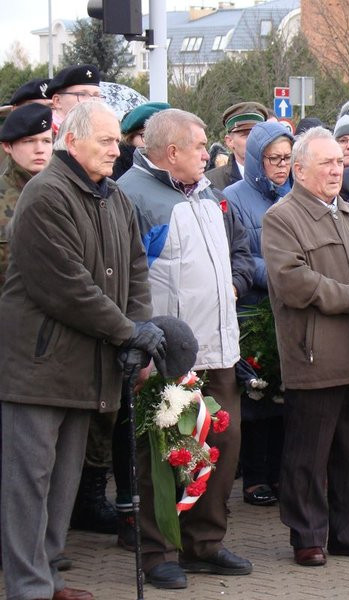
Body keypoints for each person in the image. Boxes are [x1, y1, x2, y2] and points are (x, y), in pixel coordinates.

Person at [0, 101, 161, 600]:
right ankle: (27, 584)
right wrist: (126, 332)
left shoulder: (111, 195)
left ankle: (48, 575)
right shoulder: (45, 195)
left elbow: (135, 269)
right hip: (39, 364)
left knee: (63, 480)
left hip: (87, 365)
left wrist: (139, 324)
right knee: (29, 483)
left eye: (117, 141)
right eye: (108, 141)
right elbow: (66, 286)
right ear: (74, 142)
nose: (118, 149)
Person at [118, 108, 253, 589]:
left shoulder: (209, 194)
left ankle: (205, 544)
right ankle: (158, 553)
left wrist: (236, 282)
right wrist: (137, 343)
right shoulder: (132, 197)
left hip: (218, 349)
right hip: (167, 356)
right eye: (199, 145)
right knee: (162, 453)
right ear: (171, 151)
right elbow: (124, 279)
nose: (208, 152)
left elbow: (238, 254)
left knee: (220, 445)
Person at [262, 126, 349, 567]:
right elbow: (293, 282)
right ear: (299, 170)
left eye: (340, 162)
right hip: (315, 355)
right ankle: (308, 537)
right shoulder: (282, 218)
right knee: (308, 455)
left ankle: (346, 532)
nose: (337, 170)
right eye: (327, 163)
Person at [225, 121, 295, 508]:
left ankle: (283, 473)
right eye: (273, 159)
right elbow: (235, 255)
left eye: (287, 158)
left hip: (289, 309)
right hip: (253, 308)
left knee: (286, 395)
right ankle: (255, 477)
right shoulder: (233, 197)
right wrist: (279, 275)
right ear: (256, 159)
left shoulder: (297, 193)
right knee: (256, 396)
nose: (282, 166)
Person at [0, 103, 53, 286]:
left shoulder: (65, 193)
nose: (40, 149)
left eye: (46, 141)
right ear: (7, 146)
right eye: (29, 141)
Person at [206, 101, 270, 191]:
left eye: (259, 134)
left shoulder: (277, 177)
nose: (254, 140)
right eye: (246, 135)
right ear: (230, 141)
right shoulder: (210, 182)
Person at [112, 101, 170, 179]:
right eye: (146, 136)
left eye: (163, 136)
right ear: (129, 138)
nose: (156, 142)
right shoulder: (115, 169)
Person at [45, 64, 103, 134]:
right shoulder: (44, 134)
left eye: (96, 95)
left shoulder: (100, 131)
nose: (91, 101)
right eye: (82, 94)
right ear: (57, 101)